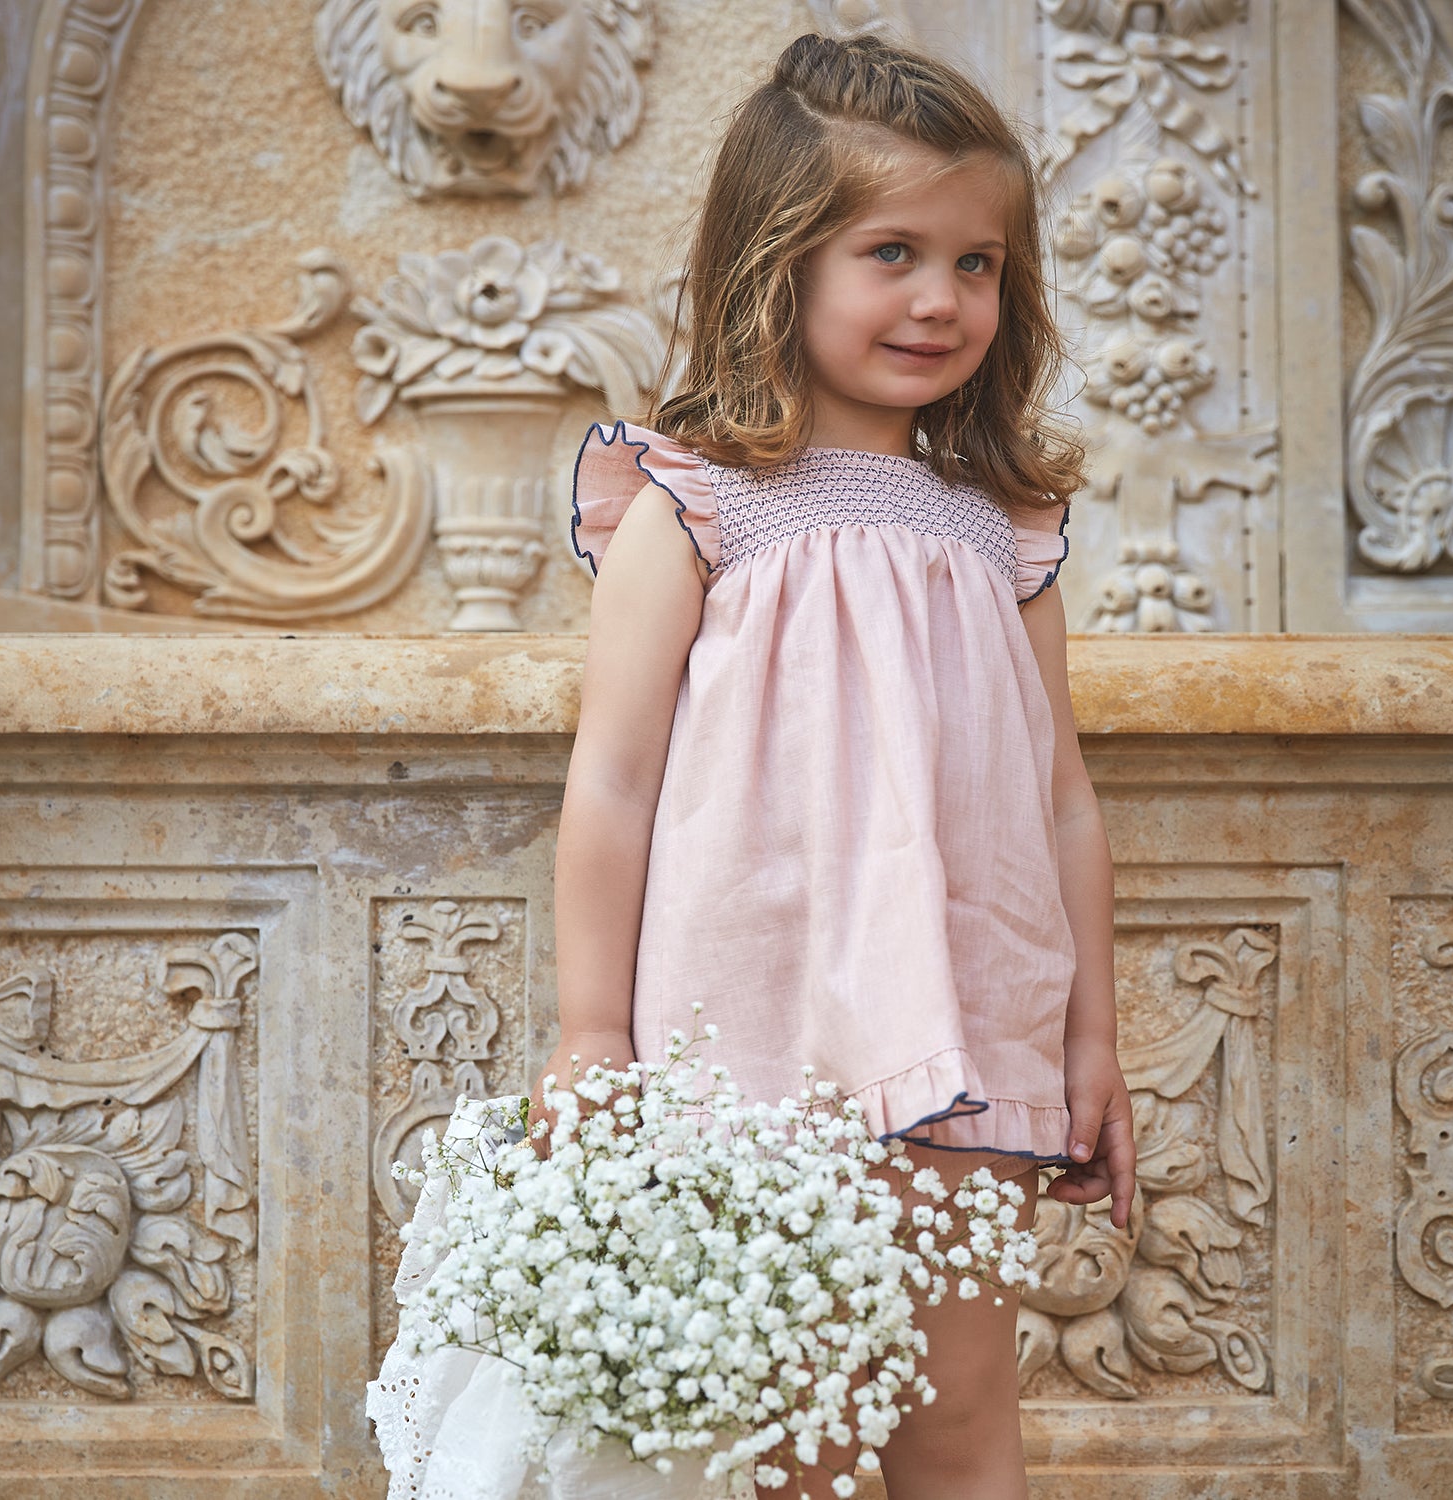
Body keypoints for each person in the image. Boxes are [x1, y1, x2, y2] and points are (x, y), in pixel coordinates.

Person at [545, 30, 1136, 1500]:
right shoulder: (694, 507)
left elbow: (1063, 797)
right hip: (751, 1041)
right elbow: (611, 785)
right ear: (778, 260)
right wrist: (588, 1035)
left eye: (979, 263)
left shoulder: (1003, 527)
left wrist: (1094, 1043)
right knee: (777, 1440)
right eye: (892, 252)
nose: (943, 299)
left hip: (971, 1028)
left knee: (958, 1420)